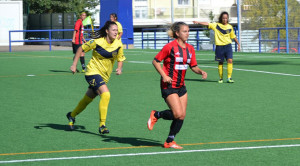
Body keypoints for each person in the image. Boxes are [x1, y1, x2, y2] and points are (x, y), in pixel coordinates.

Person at [147, 22, 207, 149]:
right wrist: (164, 75)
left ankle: (170, 140)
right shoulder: (170, 47)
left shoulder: (190, 48)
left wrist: (200, 71)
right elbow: (155, 61)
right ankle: (156, 114)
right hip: (168, 85)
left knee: (181, 115)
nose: (187, 33)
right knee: (177, 113)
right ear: (177, 33)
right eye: (185, 31)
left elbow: (193, 66)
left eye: (188, 31)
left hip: (181, 87)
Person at [66, 21, 126, 134]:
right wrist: (74, 65)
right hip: (92, 72)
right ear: (107, 31)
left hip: (104, 76)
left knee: (88, 99)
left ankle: (72, 115)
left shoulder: (118, 44)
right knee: (106, 95)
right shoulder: (97, 42)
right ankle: (102, 125)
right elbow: (81, 49)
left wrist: (119, 68)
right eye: (113, 30)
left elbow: (120, 58)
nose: (116, 32)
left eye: (116, 30)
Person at [193, 11, 240, 83]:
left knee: (230, 60)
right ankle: (221, 78)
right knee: (220, 62)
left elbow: (233, 36)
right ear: (221, 18)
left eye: (226, 18)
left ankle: (229, 78)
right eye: (223, 18)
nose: (225, 19)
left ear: (228, 19)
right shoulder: (216, 25)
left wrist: (238, 44)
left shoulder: (230, 27)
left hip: (228, 46)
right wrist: (198, 22)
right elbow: (207, 23)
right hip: (219, 47)